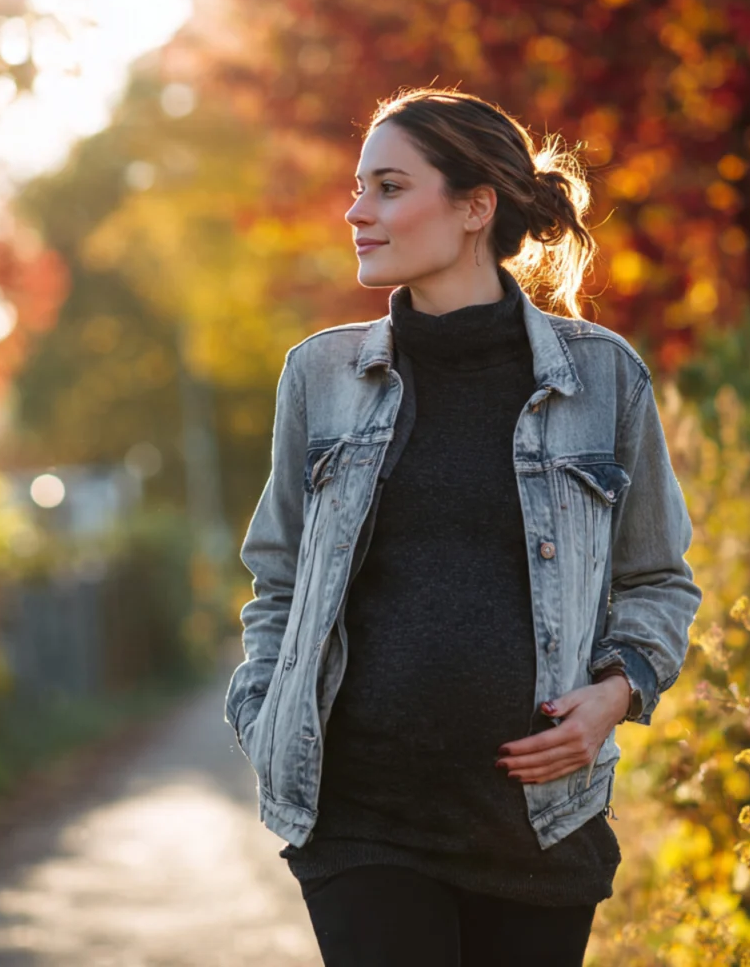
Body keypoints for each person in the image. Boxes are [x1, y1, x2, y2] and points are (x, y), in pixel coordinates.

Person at [224, 87, 702, 966]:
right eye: (359, 188)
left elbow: (657, 579)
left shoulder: (602, 378)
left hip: (538, 825)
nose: (356, 212)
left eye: (389, 187)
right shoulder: (321, 376)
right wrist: (262, 713)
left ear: (475, 207)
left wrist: (616, 695)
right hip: (361, 820)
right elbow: (279, 579)